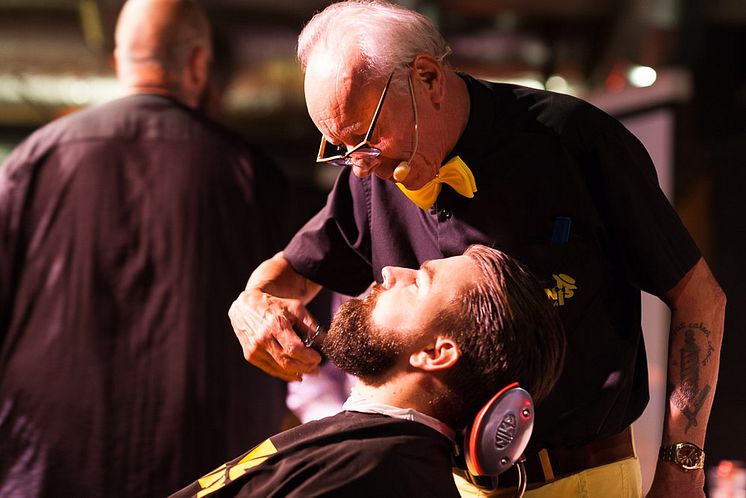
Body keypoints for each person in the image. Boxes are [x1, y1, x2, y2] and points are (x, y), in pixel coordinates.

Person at [227, 2, 726, 497]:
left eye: (366, 138)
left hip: (581, 478)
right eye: (340, 147)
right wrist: (253, 299)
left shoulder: (572, 142)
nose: (358, 166)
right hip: (442, 483)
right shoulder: (368, 176)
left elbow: (699, 296)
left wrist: (682, 471)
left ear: (428, 78)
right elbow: (287, 274)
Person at [0, 1, 288, 496]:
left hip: (49, 457)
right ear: (199, 63)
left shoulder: (36, 157)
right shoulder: (250, 173)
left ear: (118, 63)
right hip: (204, 461)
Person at [173, 245, 566, 498]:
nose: (392, 271)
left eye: (419, 283)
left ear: (434, 352)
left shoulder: (378, 478)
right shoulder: (374, 457)